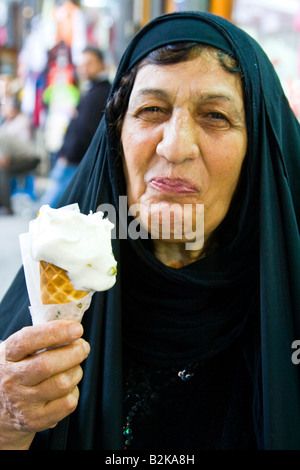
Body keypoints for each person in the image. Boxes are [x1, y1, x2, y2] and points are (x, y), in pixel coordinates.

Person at [0, 11, 299, 450]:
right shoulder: (44, 314)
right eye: (152, 109)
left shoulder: (286, 306)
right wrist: (7, 425)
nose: (175, 146)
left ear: (257, 154)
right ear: (117, 135)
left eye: (215, 115)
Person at [39, 46, 111, 208]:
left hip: (75, 161)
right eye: (81, 65)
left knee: (49, 210)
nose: (84, 69)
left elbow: (85, 131)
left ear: (101, 64)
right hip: (75, 159)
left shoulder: (100, 93)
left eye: (89, 63)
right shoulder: (93, 91)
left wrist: (69, 154)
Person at [0, 94, 39, 214]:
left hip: (29, 157)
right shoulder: (6, 124)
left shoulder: (21, 122)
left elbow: (6, 156)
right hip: (16, 156)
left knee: (3, 169)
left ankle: (6, 206)